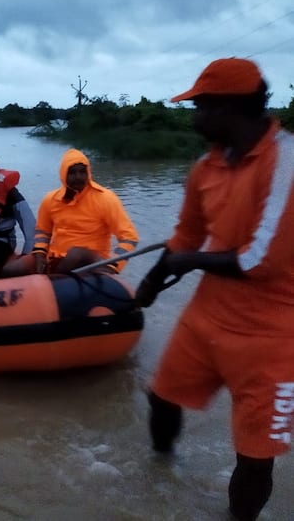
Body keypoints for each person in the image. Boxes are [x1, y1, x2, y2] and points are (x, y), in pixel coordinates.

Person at [134, 58, 294, 521]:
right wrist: (149, 285)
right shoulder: (205, 167)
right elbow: (184, 236)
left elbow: (258, 259)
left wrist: (187, 262)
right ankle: (159, 474)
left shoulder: (285, 161)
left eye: (200, 106)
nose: (194, 116)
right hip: (207, 315)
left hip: (272, 334)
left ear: (228, 108)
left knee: (255, 453)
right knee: (162, 396)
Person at [30, 148, 139, 274]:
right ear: (63, 174)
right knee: (13, 269)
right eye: (72, 173)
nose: (78, 177)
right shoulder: (50, 199)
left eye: (82, 172)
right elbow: (42, 231)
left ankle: (54, 279)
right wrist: (39, 254)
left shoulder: (106, 199)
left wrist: (112, 265)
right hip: (56, 256)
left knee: (75, 254)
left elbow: (129, 237)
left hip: (92, 261)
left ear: (88, 173)